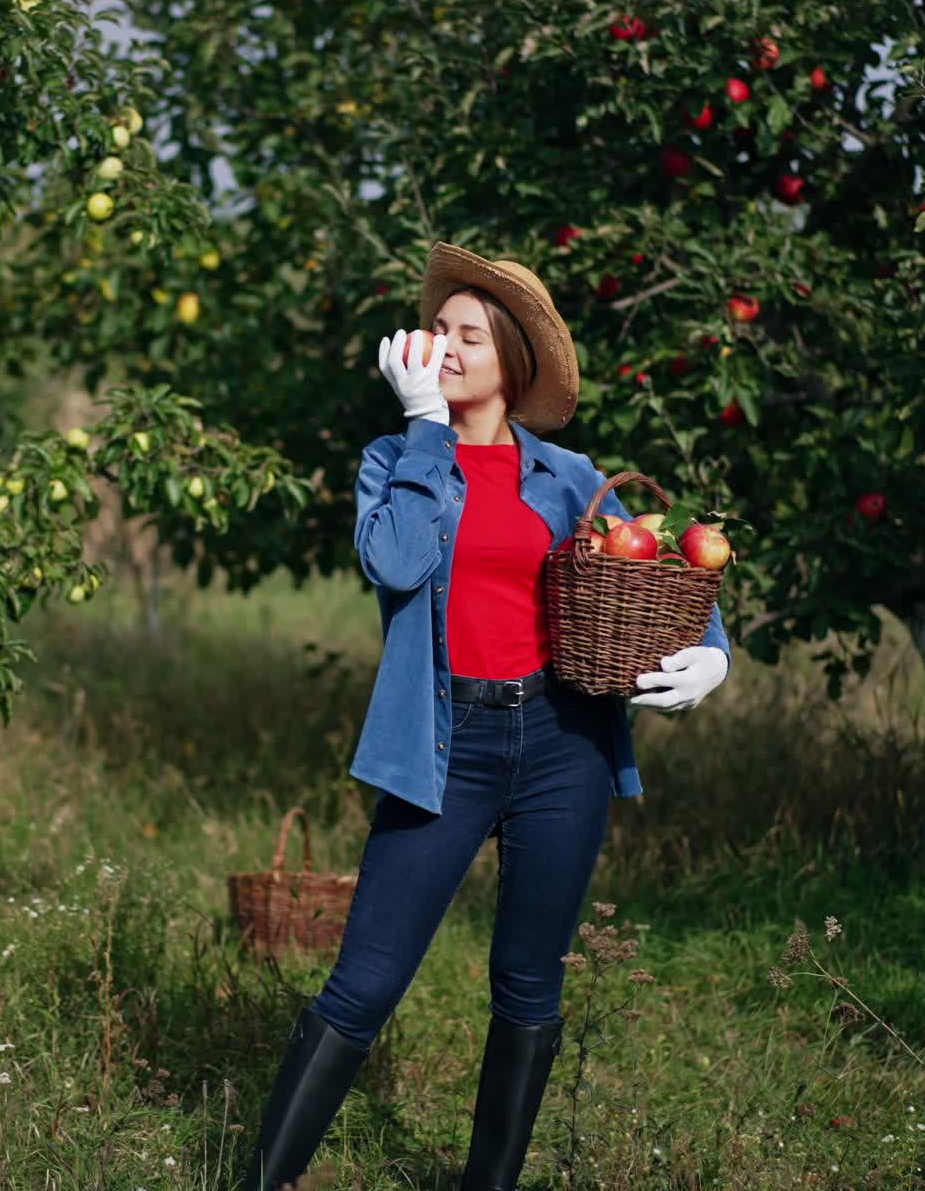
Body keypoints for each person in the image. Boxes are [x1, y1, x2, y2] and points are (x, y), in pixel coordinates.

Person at [242, 242, 731, 1190]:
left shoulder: (567, 474)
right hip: (444, 745)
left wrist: (713, 649)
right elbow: (395, 565)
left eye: (469, 335)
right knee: (365, 984)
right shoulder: (394, 459)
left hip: (563, 743)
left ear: (512, 358)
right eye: (438, 331)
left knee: (528, 986)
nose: (444, 345)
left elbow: (656, 562)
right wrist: (426, 429)